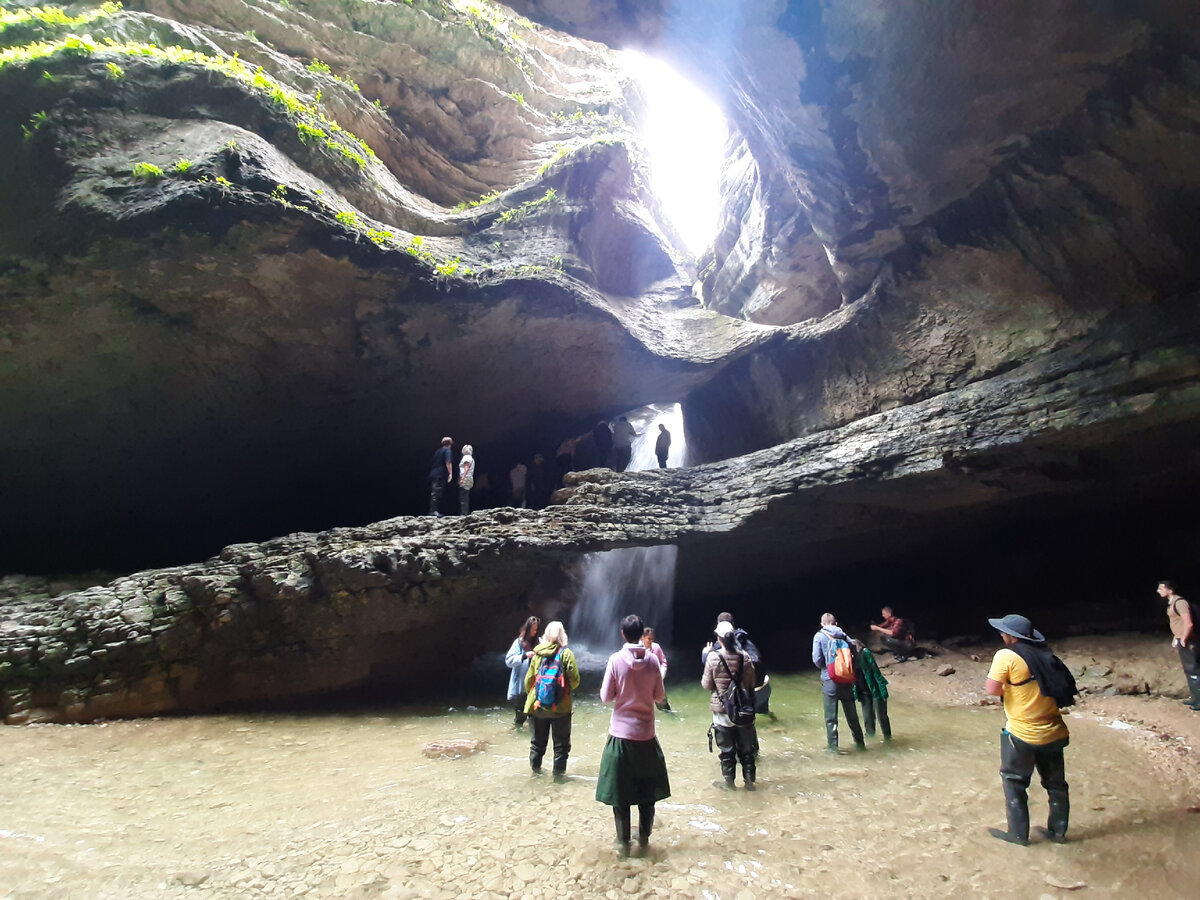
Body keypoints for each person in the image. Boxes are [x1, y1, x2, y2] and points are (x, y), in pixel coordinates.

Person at [984, 613, 1070, 846]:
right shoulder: (1046, 656)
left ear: (1012, 637)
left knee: (1014, 782)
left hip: (1022, 733)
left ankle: (1018, 835)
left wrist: (1011, 691)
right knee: (1056, 785)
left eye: (1004, 632)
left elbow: (991, 689)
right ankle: (1058, 833)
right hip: (1054, 731)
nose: (1001, 634)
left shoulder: (1006, 655)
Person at [597, 614, 670, 859]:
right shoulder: (652, 661)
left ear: (622, 634)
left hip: (620, 736)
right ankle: (645, 840)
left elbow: (606, 697)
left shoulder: (615, 660)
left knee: (621, 793)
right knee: (647, 792)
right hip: (646, 736)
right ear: (641, 634)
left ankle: (623, 843)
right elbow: (660, 697)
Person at [702, 620, 757, 790]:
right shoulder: (745, 657)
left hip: (722, 712)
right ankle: (750, 784)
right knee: (747, 752)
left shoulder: (713, 658)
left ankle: (729, 784)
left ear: (719, 639)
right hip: (743, 712)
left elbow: (706, 685)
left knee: (727, 752)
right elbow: (750, 683)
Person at [523, 621, 581, 781]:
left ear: (546, 635)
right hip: (561, 708)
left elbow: (529, 680)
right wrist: (563, 691)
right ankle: (558, 780)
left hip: (538, 706)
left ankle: (535, 776)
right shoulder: (566, 654)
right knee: (561, 747)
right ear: (562, 635)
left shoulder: (538, 653)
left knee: (537, 744)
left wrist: (536, 695)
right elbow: (575, 680)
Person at [812, 613, 866, 753]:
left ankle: (833, 749)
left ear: (822, 624)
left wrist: (829, 666)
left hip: (829, 680)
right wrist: (847, 669)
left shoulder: (819, 636)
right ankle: (860, 744)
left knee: (831, 718)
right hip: (846, 679)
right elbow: (855, 651)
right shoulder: (843, 635)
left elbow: (817, 660)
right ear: (835, 623)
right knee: (852, 715)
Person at [702, 612, 769, 715]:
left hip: (730, 702)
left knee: (728, 725)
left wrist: (705, 655)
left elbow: (707, 684)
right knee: (761, 717)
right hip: (760, 689)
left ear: (718, 635)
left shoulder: (715, 652)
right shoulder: (746, 643)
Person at [1159, 580, 1199, 711]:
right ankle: (1195, 698)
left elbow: (1189, 623)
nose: (1158, 591)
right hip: (1183, 639)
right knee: (1189, 669)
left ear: (1169, 590)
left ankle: (1198, 701)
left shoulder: (1180, 603)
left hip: (1189, 641)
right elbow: (1178, 623)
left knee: (1193, 670)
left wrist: (1183, 639)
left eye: (1161, 588)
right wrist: (1176, 637)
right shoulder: (1172, 603)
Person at [850, 638, 891, 741]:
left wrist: (883, 691)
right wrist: (854, 693)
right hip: (863, 691)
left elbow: (875, 671)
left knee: (882, 715)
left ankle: (888, 737)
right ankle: (870, 738)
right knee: (867, 717)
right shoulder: (850, 657)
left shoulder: (865, 653)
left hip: (875, 689)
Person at [504, 616, 540, 728]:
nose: (534, 632)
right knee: (520, 716)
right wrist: (524, 656)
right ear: (527, 629)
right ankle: (517, 733)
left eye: (536, 630)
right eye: (532, 629)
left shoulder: (540, 642)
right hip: (522, 687)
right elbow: (508, 661)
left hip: (535, 686)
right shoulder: (519, 643)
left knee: (535, 717)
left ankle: (534, 738)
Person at [641, 627, 672, 711]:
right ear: (642, 638)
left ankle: (670, 717)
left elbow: (663, 662)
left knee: (663, 704)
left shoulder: (656, 647)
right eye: (649, 639)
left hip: (657, 680)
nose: (651, 641)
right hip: (642, 683)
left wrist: (661, 675)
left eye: (652, 639)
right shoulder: (637, 649)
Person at [428, 436, 453, 516]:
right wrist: (450, 473)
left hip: (434, 472)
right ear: (450, 443)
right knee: (436, 492)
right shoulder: (447, 450)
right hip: (440, 474)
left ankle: (434, 510)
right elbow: (448, 462)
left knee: (435, 492)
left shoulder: (438, 451)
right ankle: (433, 511)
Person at [457, 444, 475, 515]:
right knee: (465, 496)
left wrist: (462, 478)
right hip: (469, 477)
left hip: (465, 477)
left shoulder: (466, 457)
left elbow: (466, 467)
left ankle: (464, 513)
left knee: (463, 496)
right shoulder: (471, 458)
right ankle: (464, 512)